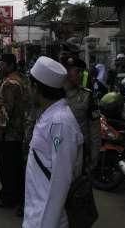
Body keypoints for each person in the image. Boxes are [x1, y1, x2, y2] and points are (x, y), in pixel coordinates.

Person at [23, 56, 84, 227]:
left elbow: (61, 181)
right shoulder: (48, 114)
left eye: (29, 86)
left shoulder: (60, 122)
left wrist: (47, 223)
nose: (27, 90)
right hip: (36, 212)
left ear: (36, 88)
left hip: (47, 218)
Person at [0, 54, 27, 214]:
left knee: (7, 168)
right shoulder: (20, 79)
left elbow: (4, 113)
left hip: (8, 135)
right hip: (17, 133)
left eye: (2, 64)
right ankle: (15, 197)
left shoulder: (10, 84)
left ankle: (7, 198)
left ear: (10, 66)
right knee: (15, 168)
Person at [63, 57, 101, 171]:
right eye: (77, 71)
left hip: (81, 152)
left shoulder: (87, 96)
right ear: (66, 72)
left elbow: (95, 129)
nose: (81, 75)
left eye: (82, 71)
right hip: (58, 151)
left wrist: (94, 156)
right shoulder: (54, 95)